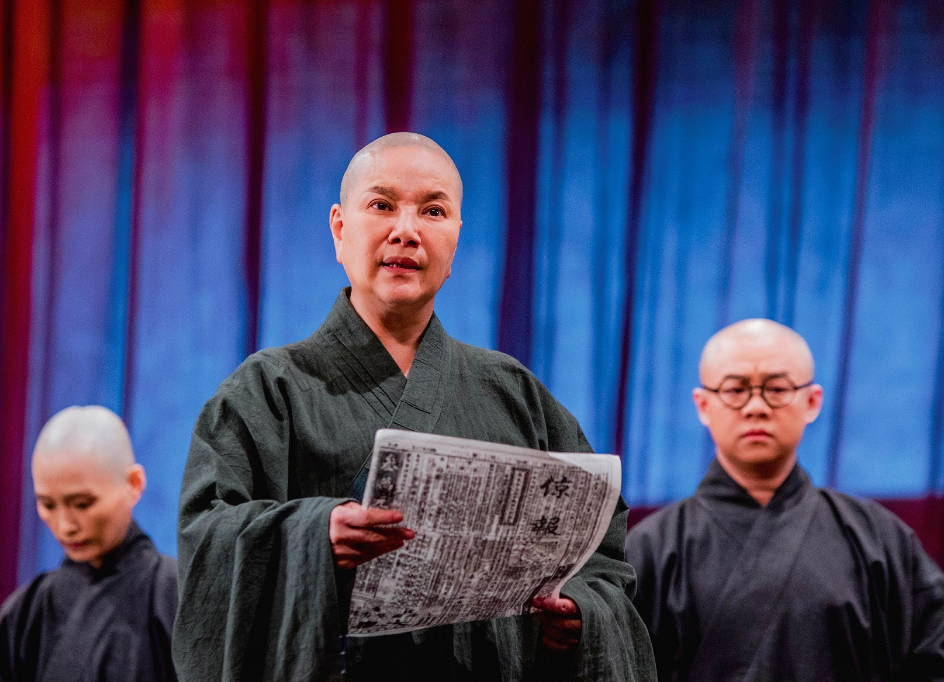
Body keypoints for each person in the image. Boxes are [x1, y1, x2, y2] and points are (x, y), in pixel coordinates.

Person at [173, 132, 656, 682]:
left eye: (433, 211)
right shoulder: (268, 391)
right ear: (339, 228)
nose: (407, 230)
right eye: (382, 205)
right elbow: (207, 542)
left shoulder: (514, 393)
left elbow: (600, 552)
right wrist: (314, 535)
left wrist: (580, 615)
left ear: (455, 241)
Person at [626, 319, 944, 681]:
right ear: (703, 405)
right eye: (735, 389)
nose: (756, 406)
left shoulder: (880, 538)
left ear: (812, 401)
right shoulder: (651, 548)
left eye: (777, 388)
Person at [0, 405, 179, 682]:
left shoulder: (179, 597)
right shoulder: (27, 611)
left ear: (134, 484)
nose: (65, 526)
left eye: (82, 504)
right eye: (48, 505)